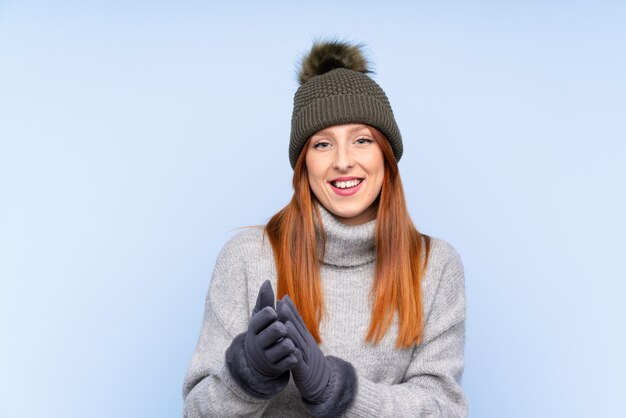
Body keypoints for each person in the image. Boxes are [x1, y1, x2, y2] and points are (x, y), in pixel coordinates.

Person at [182, 40, 468, 417]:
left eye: (362, 140)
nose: (343, 161)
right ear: (304, 163)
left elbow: (444, 411)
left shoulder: (434, 266)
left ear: (386, 153)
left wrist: (340, 390)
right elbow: (195, 412)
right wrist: (248, 375)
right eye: (322, 144)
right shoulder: (247, 258)